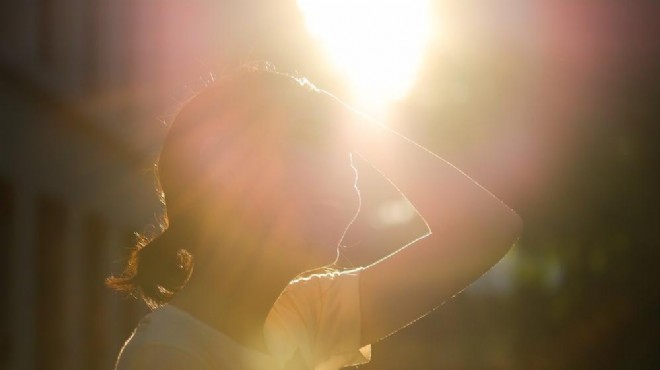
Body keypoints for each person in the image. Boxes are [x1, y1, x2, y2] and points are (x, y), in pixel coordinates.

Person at [107, 67, 522, 370]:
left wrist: (345, 115)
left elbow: (488, 229)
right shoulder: (168, 356)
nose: (347, 175)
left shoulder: (302, 314)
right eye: (309, 144)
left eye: (344, 152)